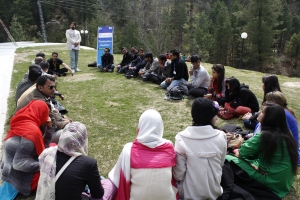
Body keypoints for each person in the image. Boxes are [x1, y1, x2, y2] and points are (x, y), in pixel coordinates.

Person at [226, 102, 298, 198]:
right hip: (284, 182)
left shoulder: (264, 136)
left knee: (228, 158)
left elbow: (243, 151)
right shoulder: (287, 135)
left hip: (271, 182)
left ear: (270, 118)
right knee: (251, 158)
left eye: (263, 112)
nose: (259, 112)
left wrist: (238, 151)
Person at [105, 109, 177, 200]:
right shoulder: (169, 146)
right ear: (160, 126)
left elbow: (115, 177)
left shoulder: (129, 150)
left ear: (140, 126)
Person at [173, 98, 227, 199]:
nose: (217, 118)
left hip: (189, 194)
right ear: (210, 117)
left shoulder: (182, 138)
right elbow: (221, 163)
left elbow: (178, 175)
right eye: (215, 115)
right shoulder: (221, 136)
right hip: (214, 193)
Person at [36, 122, 104, 200]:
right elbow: (98, 194)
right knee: (108, 185)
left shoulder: (48, 153)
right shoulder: (88, 163)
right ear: (83, 138)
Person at [0, 100, 55, 197]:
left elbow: (42, 147)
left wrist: (49, 128)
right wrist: (44, 165)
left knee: (53, 146)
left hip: (9, 172)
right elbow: (19, 164)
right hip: (18, 179)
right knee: (53, 170)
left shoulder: (21, 122)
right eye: (46, 113)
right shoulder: (30, 133)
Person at [17, 75, 71, 142]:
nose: (54, 89)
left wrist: (62, 117)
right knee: (70, 131)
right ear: (40, 88)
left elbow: (51, 115)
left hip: (23, 133)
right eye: (51, 87)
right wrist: (66, 122)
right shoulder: (41, 102)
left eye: (54, 86)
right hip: (25, 139)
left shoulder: (37, 93)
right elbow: (52, 126)